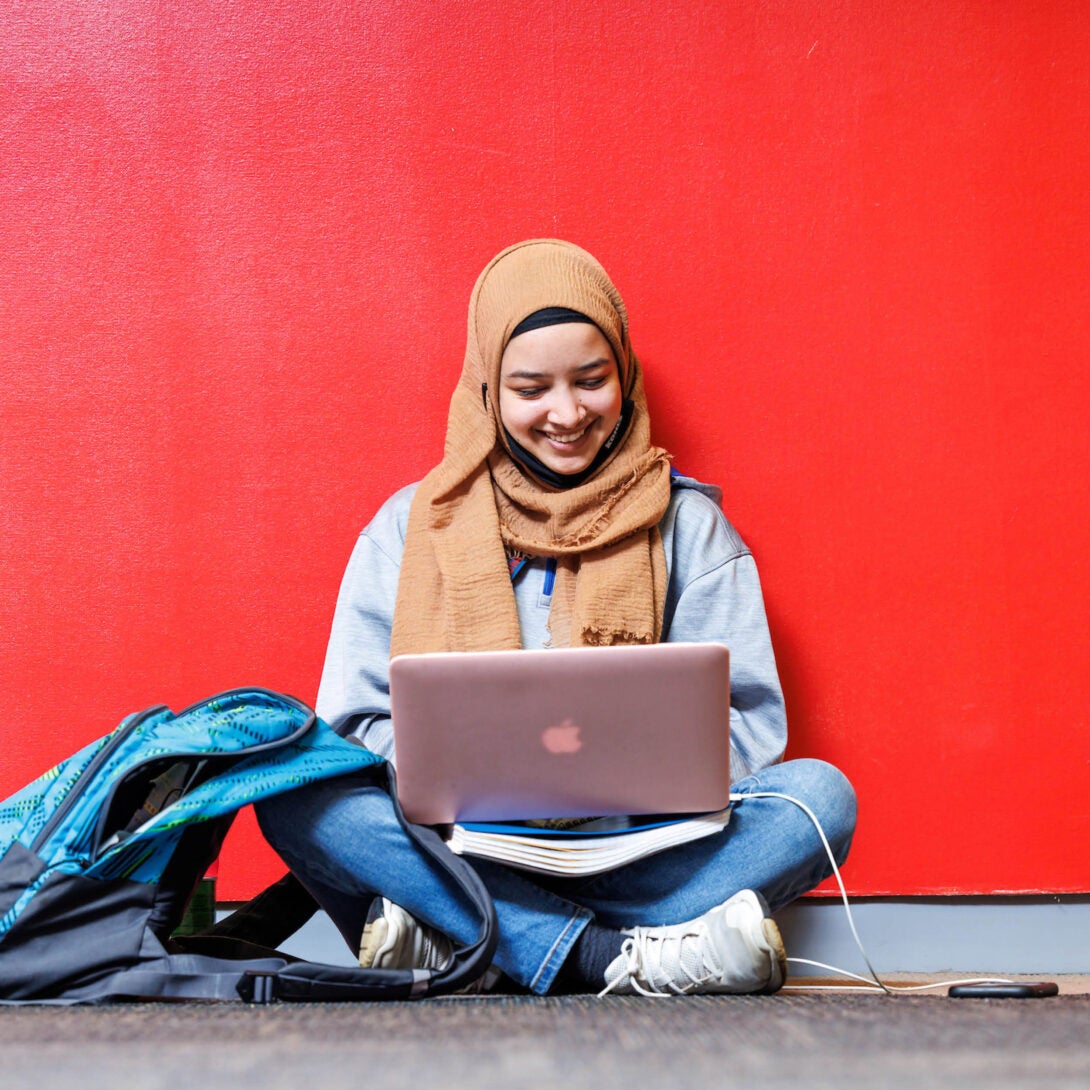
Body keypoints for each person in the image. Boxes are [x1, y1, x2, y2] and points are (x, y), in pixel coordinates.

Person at [256, 239, 856, 996]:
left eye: (592, 380)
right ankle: (611, 956)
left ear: (624, 378)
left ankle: (470, 939)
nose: (567, 414)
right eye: (531, 388)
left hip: (639, 851)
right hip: (458, 848)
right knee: (290, 787)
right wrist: (456, 782)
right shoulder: (409, 529)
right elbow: (351, 727)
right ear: (486, 391)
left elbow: (752, 726)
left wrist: (629, 791)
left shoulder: (689, 527)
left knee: (821, 799)